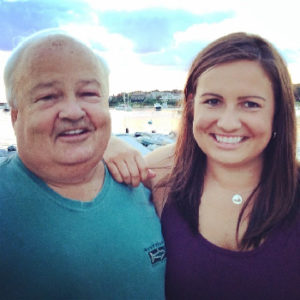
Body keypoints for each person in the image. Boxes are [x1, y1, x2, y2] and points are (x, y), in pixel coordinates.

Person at [105, 32, 300, 299]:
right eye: (213, 101)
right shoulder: (163, 175)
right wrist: (106, 145)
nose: (228, 122)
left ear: (277, 113)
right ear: (192, 105)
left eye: (250, 104)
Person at [0, 29, 166, 299]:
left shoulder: (144, 183)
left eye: (88, 93)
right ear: (16, 116)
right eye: (48, 97)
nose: (73, 111)